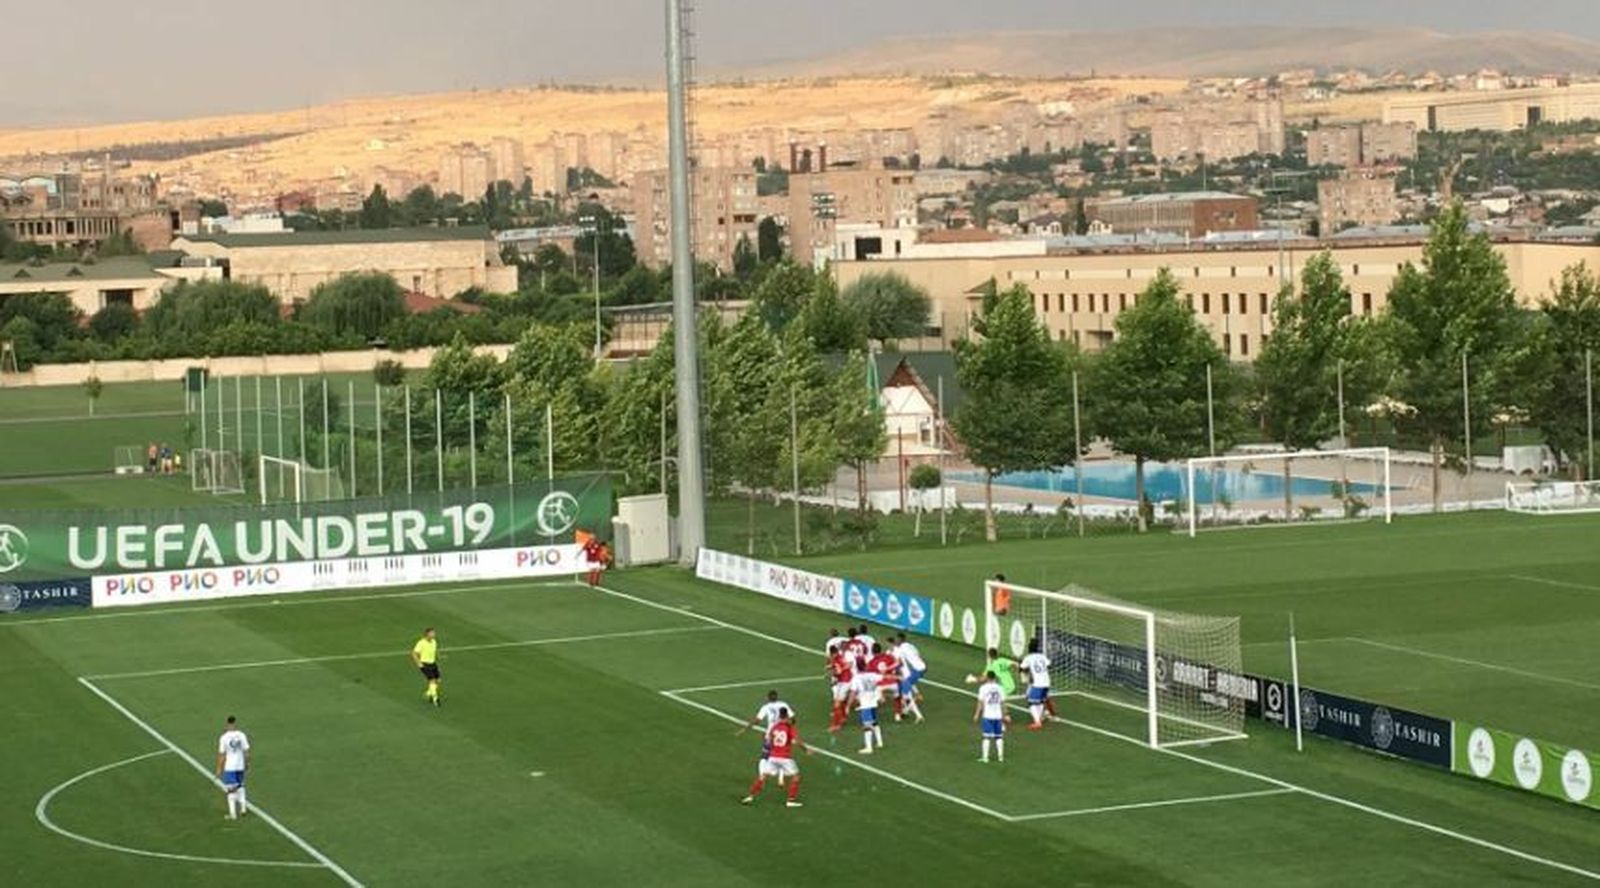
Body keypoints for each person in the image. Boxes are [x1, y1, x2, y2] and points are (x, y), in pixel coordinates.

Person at [741, 709, 810, 808]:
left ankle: (750, 796)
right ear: (786, 716)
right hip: (785, 757)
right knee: (796, 777)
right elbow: (797, 741)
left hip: (773, 756)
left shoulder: (774, 727)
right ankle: (790, 800)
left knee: (763, 776)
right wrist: (806, 750)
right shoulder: (789, 727)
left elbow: (770, 740)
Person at [215, 716, 251, 819]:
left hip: (230, 767)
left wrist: (219, 769)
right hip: (240, 765)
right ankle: (243, 808)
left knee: (231, 790)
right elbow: (246, 751)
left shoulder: (224, 738)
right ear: (235, 723)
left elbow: (222, 755)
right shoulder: (241, 735)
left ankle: (233, 814)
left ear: (227, 724)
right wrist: (247, 763)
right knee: (240, 786)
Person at [973, 672, 1009, 763]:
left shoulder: (983, 688)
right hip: (998, 716)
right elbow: (1003, 703)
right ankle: (1001, 757)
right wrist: (1005, 715)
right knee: (999, 737)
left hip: (988, 715)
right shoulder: (1000, 688)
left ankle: (985, 758)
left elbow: (980, 702)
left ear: (987, 678)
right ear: (994, 678)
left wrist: (977, 714)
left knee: (986, 737)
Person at [1020, 638, 1052, 730]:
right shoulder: (1042, 656)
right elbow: (1049, 665)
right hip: (1047, 682)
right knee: (1040, 701)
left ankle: (1037, 722)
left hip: (1038, 683)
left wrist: (1025, 670)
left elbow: (1022, 668)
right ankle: (1039, 718)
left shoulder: (1028, 658)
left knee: (1031, 702)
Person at [851, 668, 885, 754]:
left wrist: (848, 704)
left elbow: (853, 692)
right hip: (873, 701)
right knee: (874, 722)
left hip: (865, 704)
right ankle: (880, 742)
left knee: (866, 725)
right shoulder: (872, 675)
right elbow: (880, 682)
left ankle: (868, 748)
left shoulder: (856, 678)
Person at [894, 633, 926, 723]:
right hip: (922, 667)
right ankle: (906, 711)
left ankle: (908, 710)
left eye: (897, 639)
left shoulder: (901, 649)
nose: (896, 641)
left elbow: (900, 662)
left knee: (905, 694)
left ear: (900, 640)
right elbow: (918, 654)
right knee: (907, 689)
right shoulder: (911, 646)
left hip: (916, 670)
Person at [827, 644, 854, 732]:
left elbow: (838, 672)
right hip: (846, 680)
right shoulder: (841, 657)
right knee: (839, 701)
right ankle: (843, 718)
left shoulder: (836, 660)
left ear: (832, 653)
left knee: (836, 704)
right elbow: (849, 665)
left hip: (844, 682)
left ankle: (836, 725)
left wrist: (833, 672)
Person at [411, 627, 441, 706]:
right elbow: (414, 653)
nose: (434, 634)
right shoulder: (421, 643)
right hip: (425, 664)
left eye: (434, 633)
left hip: (433, 663)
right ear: (427, 634)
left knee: (438, 680)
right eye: (432, 633)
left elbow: (435, 650)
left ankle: (429, 693)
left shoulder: (434, 641)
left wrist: (438, 656)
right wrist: (419, 664)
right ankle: (435, 698)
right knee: (432, 680)